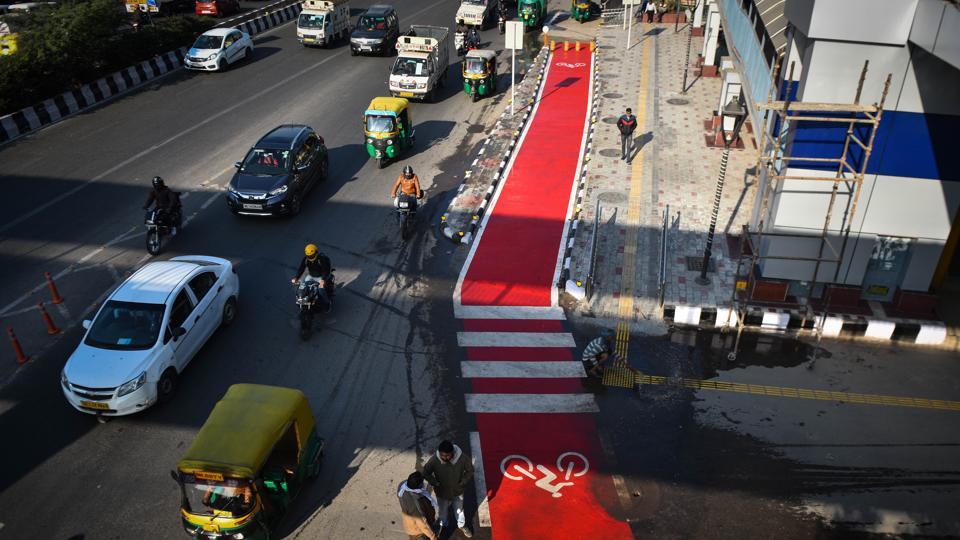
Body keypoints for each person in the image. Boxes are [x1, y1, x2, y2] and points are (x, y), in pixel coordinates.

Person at [423, 440, 474, 538]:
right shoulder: (434, 460)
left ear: (453, 453)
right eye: (442, 455)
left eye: (447, 455)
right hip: (442, 492)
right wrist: (434, 483)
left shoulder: (462, 458)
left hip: (458, 491)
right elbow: (426, 472)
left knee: (459, 510)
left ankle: (462, 525)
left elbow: (470, 470)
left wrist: (462, 482)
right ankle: (443, 524)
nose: (444, 458)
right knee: (442, 511)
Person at [397, 471, 438, 540]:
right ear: (418, 486)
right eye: (422, 483)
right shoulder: (416, 504)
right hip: (418, 532)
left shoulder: (402, 486)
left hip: (410, 526)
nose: (423, 484)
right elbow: (422, 524)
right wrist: (432, 536)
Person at [292, 244, 334, 309]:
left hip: (320, 277)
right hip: (311, 276)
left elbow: (326, 270)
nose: (310, 257)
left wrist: (323, 279)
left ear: (316, 252)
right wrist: (296, 278)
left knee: (320, 289)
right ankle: (303, 301)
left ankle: (327, 303)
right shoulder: (306, 259)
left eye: (312, 255)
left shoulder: (321, 259)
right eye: (309, 256)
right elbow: (301, 268)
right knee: (302, 287)